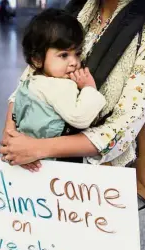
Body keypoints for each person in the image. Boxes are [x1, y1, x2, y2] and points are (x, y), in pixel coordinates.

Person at [0, 0, 145, 250]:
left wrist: (39, 148)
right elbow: (30, 77)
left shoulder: (144, 25)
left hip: (101, 159)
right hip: (44, 153)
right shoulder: (76, 8)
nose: (72, 60)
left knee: (94, 240)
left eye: (74, 53)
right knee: (46, 222)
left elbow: (124, 125)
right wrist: (11, 132)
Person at [11, 9, 106, 148]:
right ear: (37, 60)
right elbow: (79, 118)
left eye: (77, 53)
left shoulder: (31, 82)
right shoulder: (59, 86)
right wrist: (89, 88)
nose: (74, 62)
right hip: (49, 160)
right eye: (64, 55)